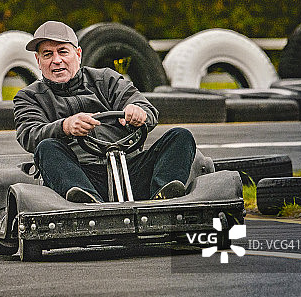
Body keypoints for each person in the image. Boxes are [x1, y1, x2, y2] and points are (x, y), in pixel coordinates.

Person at [13, 21, 196, 203]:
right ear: (38, 61)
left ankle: (164, 199)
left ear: (78, 54)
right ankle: (87, 203)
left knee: (180, 136)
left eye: (62, 52)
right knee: (47, 148)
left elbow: (146, 108)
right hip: (80, 174)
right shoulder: (29, 97)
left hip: (130, 167)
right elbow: (29, 134)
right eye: (47, 54)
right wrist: (66, 126)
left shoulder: (106, 79)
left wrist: (139, 112)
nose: (56, 60)